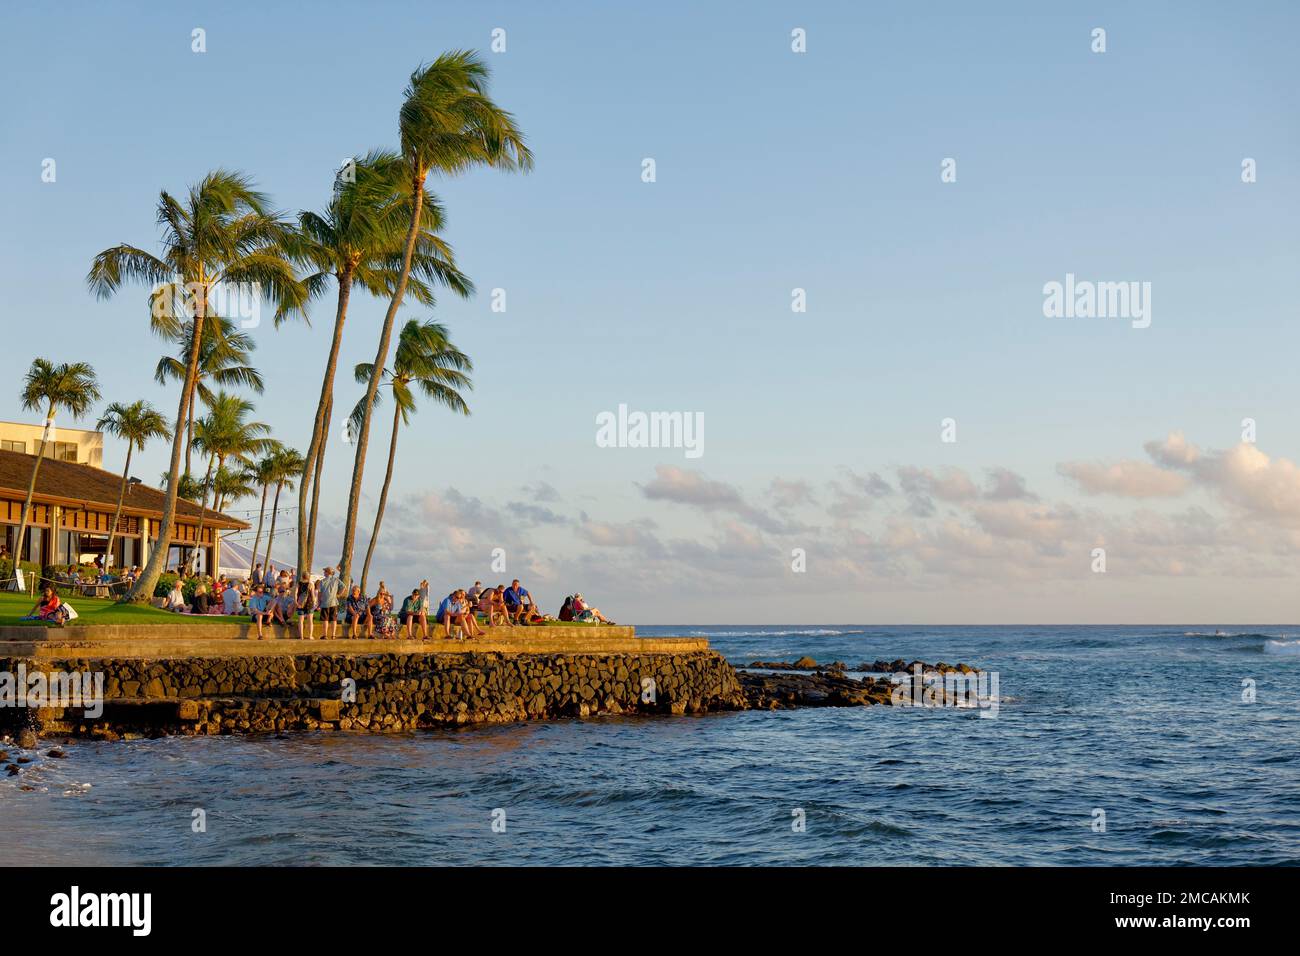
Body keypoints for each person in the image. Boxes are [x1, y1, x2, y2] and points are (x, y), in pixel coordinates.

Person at [317, 567, 341, 639]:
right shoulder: (336, 580)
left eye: (325, 571)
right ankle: (333, 635)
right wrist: (338, 594)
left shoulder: (322, 581)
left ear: (327, 572)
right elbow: (344, 587)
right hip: (334, 602)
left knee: (325, 619)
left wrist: (319, 602)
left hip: (324, 602)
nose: (324, 573)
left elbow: (319, 593)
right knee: (334, 619)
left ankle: (325, 635)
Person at [295, 573, 317, 640]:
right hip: (309, 603)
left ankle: (301, 636)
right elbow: (313, 595)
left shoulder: (298, 583)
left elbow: (295, 593)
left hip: (300, 603)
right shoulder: (311, 584)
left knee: (300, 620)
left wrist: (296, 602)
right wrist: (314, 603)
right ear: (308, 577)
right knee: (310, 621)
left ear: (302, 576)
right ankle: (310, 636)